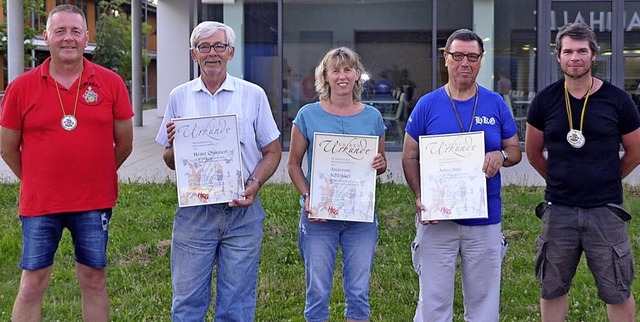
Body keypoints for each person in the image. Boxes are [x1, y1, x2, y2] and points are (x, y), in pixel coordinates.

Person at [0, 4, 134, 321]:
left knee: (94, 279)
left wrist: (96, 173)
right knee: (32, 282)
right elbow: (7, 147)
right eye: (60, 31)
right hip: (40, 203)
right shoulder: (21, 86)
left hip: (93, 201)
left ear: (87, 37)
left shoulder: (111, 83)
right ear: (46, 37)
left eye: (75, 31)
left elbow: (125, 143)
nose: (68, 38)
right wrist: (35, 178)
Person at [155, 21, 282, 321]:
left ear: (231, 52)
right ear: (193, 54)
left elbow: (273, 151)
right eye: (204, 47)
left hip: (242, 214)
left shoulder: (253, 95)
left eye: (219, 46)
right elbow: (169, 159)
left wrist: (254, 183)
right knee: (187, 304)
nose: (212, 53)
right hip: (194, 213)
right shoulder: (179, 96)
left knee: (236, 308)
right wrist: (176, 144)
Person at [401, 28, 521, 321]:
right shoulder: (428, 104)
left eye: (472, 56)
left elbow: (516, 150)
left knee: (484, 304)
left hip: (485, 219)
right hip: (437, 219)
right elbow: (409, 155)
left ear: (480, 60)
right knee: (433, 302)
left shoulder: (495, 103)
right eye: (457, 56)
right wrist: (420, 196)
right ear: (446, 59)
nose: (464, 63)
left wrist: (501, 155)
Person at [525, 22, 640, 322]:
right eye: (567, 51)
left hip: (606, 210)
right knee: (551, 287)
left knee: (617, 287)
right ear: (558, 57)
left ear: (593, 55)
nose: (574, 57)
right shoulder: (545, 100)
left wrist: (609, 178)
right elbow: (533, 152)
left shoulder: (618, 101)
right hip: (558, 209)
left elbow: (635, 151)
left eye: (581, 51)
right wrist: (559, 180)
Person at [287, 47, 387, 322]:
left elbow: (380, 165)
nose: (342, 76)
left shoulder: (373, 118)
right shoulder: (308, 115)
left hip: (360, 217)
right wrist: (308, 195)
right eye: (335, 70)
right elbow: (293, 164)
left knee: (358, 290)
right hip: (318, 216)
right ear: (326, 77)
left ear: (357, 75)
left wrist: (380, 165)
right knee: (317, 290)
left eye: (348, 70)